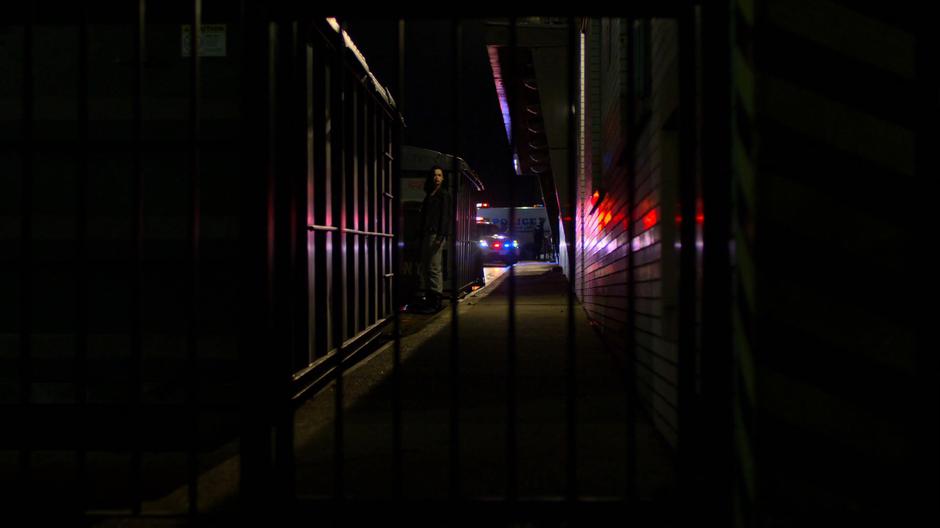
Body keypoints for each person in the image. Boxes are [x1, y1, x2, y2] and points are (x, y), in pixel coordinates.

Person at [414, 165, 452, 313]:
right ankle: (430, 299)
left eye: (440, 175)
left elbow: (445, 217)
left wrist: (441, 236)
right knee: (427, 267)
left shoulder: (444, 194)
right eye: (435, 175)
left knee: (434, 267)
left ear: (443, 178)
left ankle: (435, 302)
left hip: (435, 234)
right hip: (427, 234)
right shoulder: (430, 194)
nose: (437, 178)